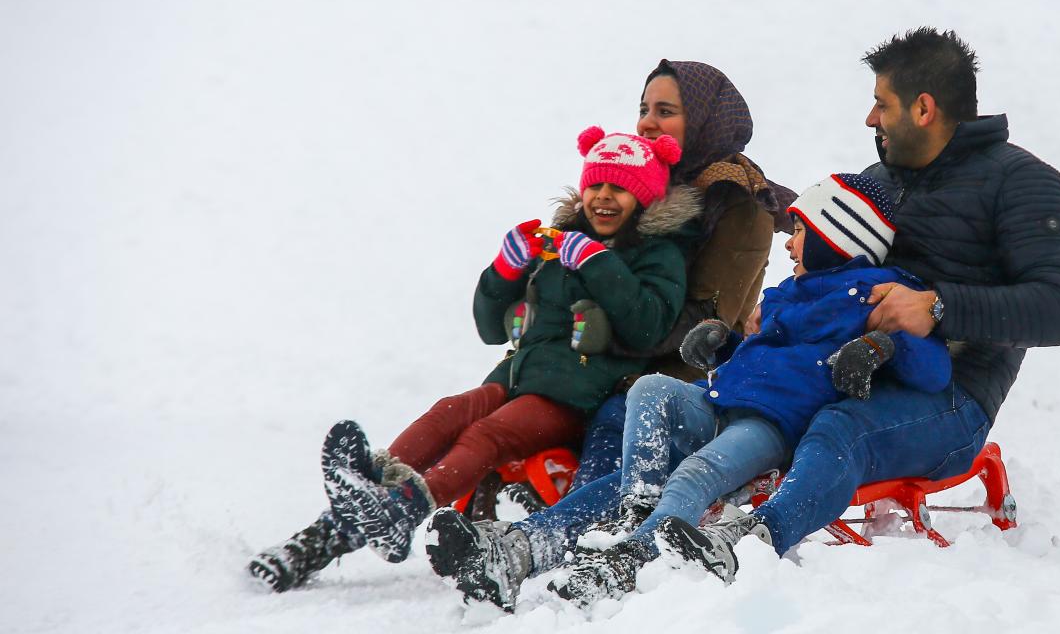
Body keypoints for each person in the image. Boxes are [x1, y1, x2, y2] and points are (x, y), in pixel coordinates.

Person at [656, 27, 1060, 583]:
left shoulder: (1024, 185)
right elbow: (828, 262)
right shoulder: (880, 182)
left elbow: (1059, 309)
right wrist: (781, 312)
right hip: (835, 372)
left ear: (924, 108)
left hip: (950, 394)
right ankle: (577, 535)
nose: (870, 118)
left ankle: (749, 544)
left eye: (882, 103)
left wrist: (936, 307)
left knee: (842, 427)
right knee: (687, 405)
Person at [423, 173, 953, 609]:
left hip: (770, 427)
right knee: (651, 390)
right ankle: (546, 542)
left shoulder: (881, 294)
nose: (789, 242)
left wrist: (884, 347)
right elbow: (767, 355)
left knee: (696, 474)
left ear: (836, 237)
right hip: (722, 403)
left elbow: (932, 369)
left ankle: (631, 559)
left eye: (800, 230)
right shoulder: (789, 293)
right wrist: (722, 347)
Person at [246, 126, 702, 592]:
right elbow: (489, 328)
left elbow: (649, 325)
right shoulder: (562, 241)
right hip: (516, 377)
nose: (603, 198)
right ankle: (353, 505)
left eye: (620, 188)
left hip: (577, 395)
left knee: (488, 435)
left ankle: (403, 507)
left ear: (644, 196)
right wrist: (503, 271)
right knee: (448, 411)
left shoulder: (658, 254)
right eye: (596, 185)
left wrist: (595, 261)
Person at [565, 60, 794, 489]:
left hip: (686, 370)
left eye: (665, 111)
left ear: (705, 121)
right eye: (644, 108)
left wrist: (609, 339)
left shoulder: (738, 205)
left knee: (614, 414)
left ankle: (586, 524)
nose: (647, 123)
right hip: (623, 352)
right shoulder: (635, 183)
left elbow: (709, 321)